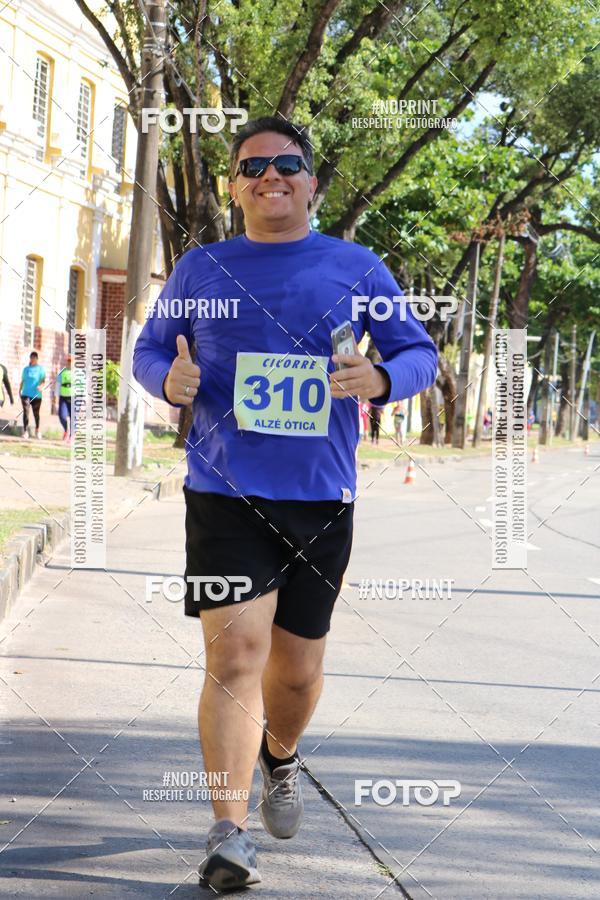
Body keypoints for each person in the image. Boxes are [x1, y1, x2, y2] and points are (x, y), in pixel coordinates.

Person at [133, 116, 438, 892]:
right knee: (234, 656)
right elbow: (147, 350)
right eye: (253, 165)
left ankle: (281, 757)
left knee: (295, 675)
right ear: (234, 185)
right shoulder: (201, 268)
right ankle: (227, 836)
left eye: (288, 163)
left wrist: (381, 380)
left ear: (311, 181)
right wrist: (166, 382)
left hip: (320, 498)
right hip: (223, 491)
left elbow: (418, 354)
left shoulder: (357, 266)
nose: (271, 175)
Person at [19, 351, 45, 439]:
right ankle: (25, 431)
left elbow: (43, 381)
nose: (33, 359)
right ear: (30, 358)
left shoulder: (40, 369)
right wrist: (20, 390)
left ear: (37, 359)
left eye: (34, 357)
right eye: (31, 357)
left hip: (36, 395)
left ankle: (37, 430)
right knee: (26, 411)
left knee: (36, 413)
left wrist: (41, 386)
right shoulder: (26, 369)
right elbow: (22, 381)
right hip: (26, 393)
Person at [55, 354, 73, 440]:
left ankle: (72, 435)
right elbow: (57, 385)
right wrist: (55, 398)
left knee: (74, 417)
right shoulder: (62, 372)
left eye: (71, 361)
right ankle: (66, 430)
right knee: (62, 415)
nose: (69, 363)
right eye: (68, 361)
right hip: (63, 397)